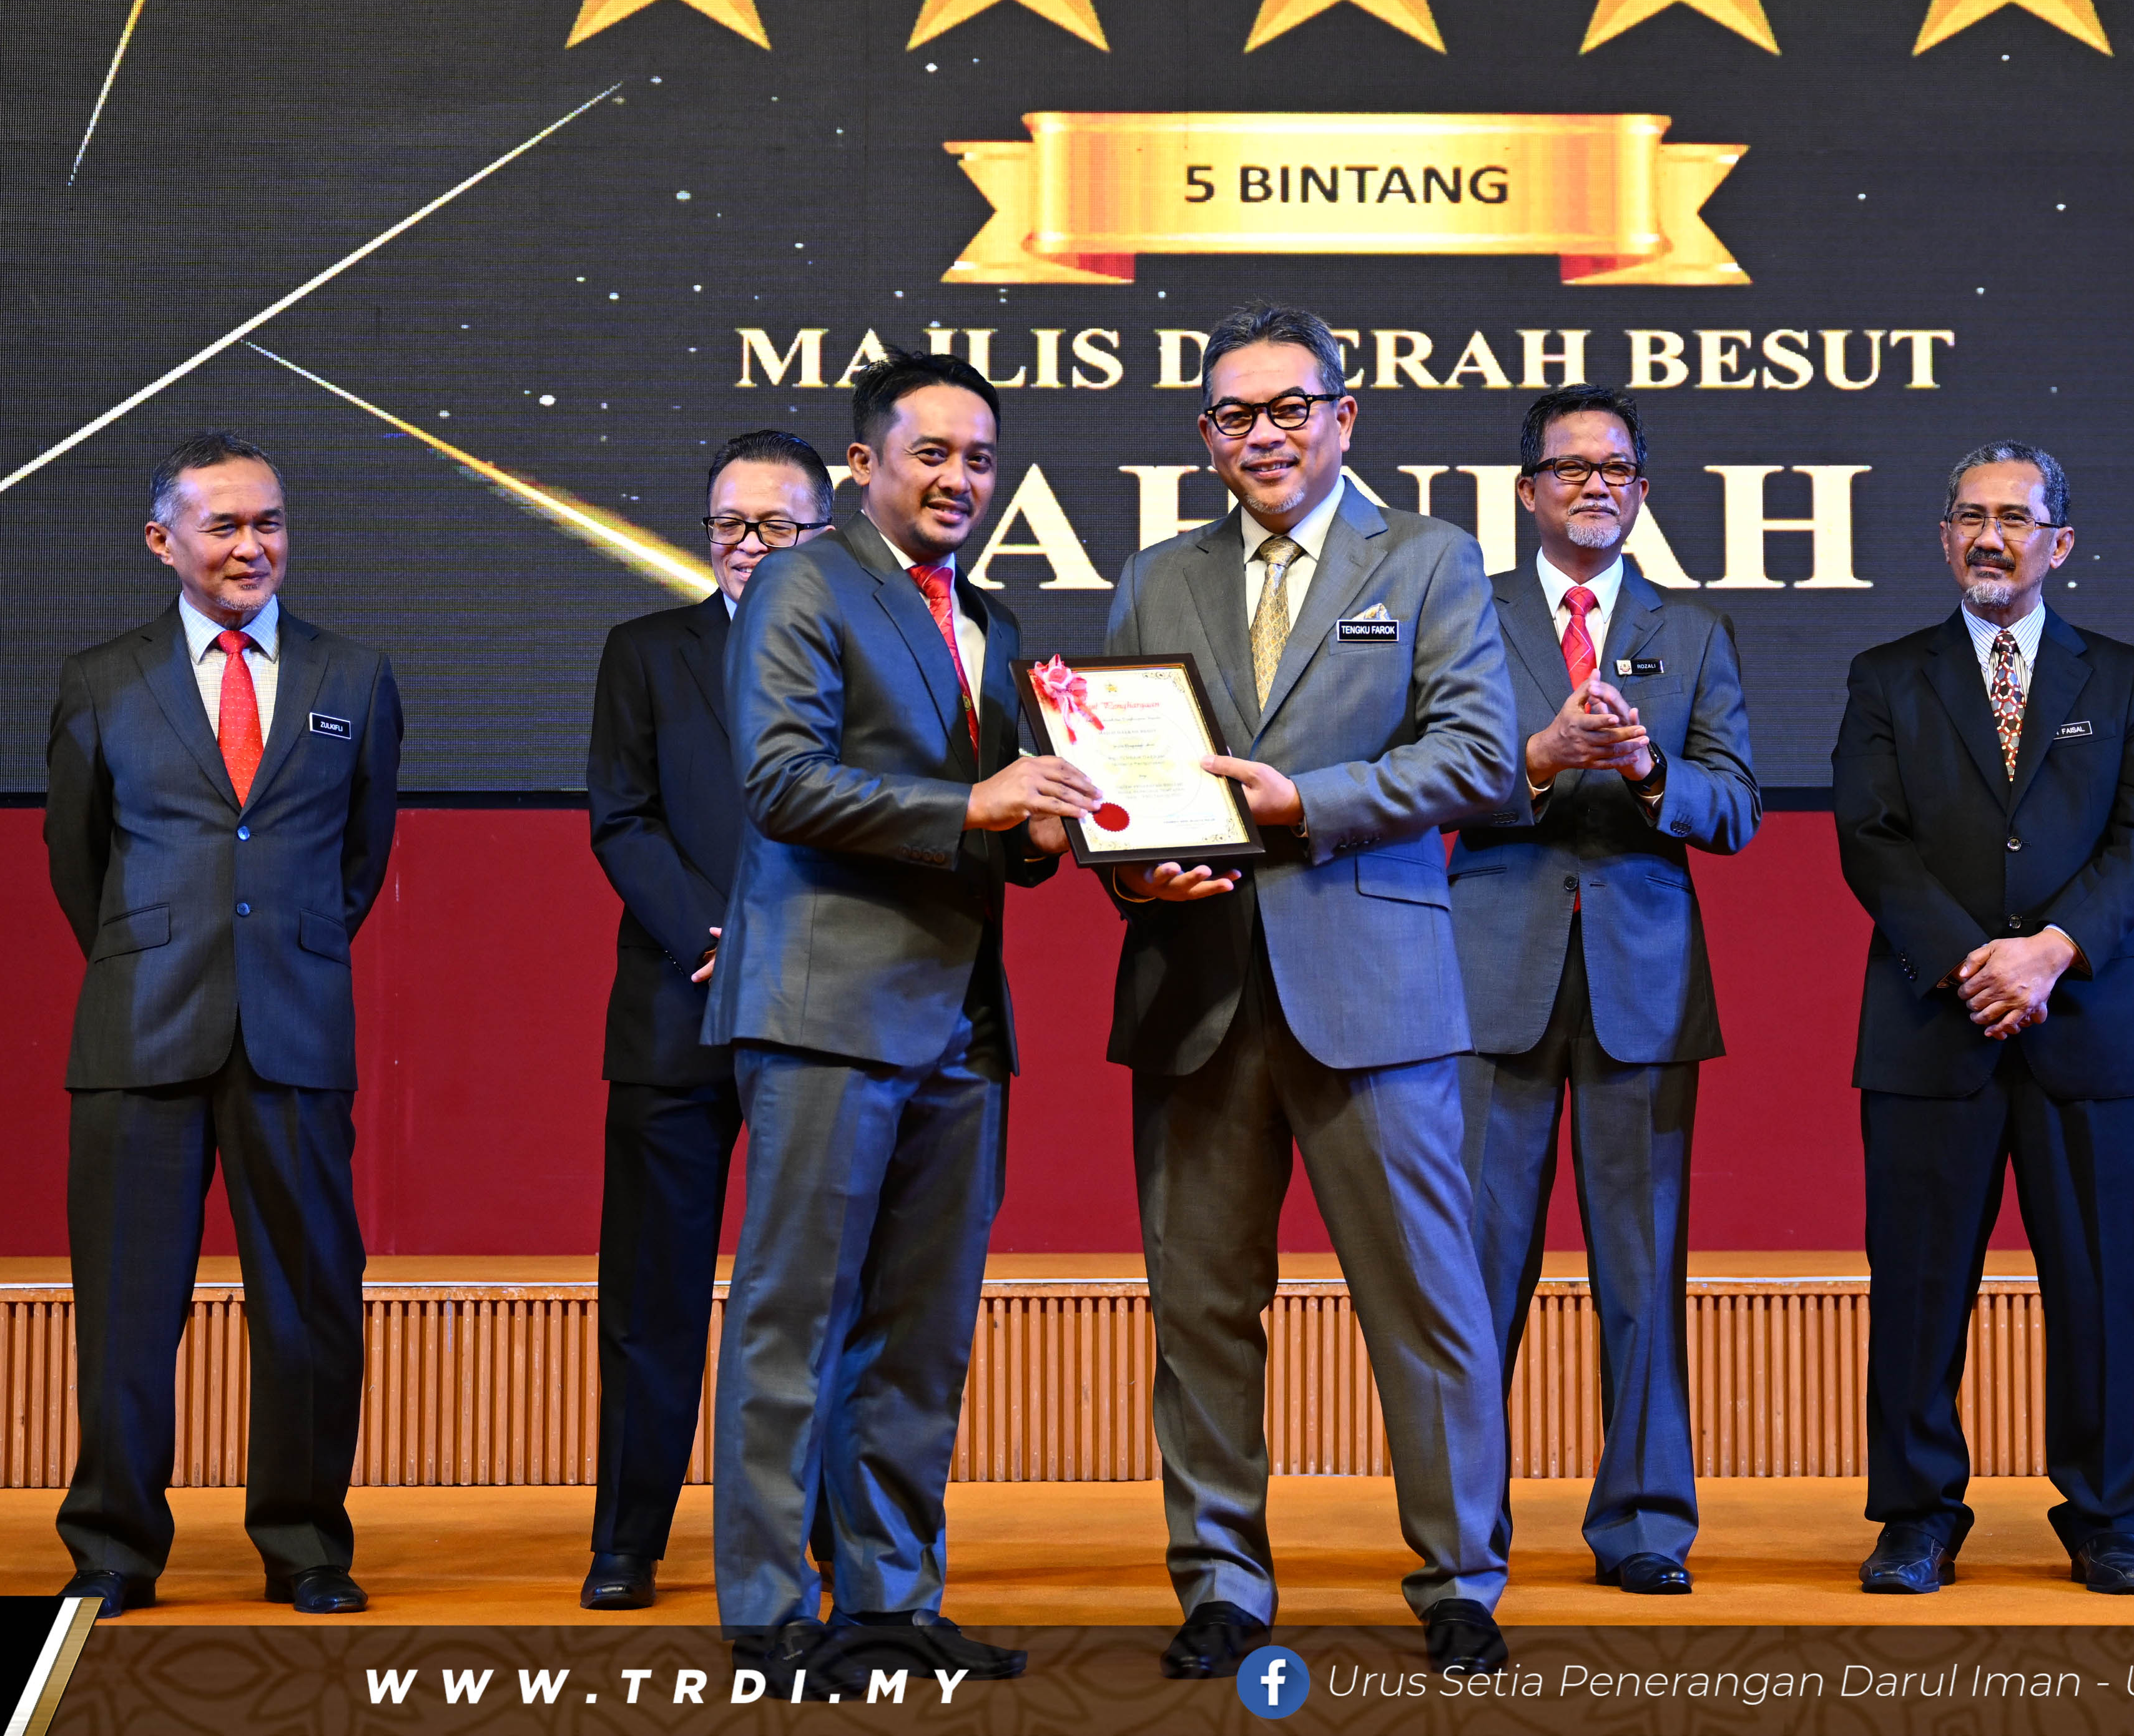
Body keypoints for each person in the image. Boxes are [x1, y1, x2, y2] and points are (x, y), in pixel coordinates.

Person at [1099, 303, 1520, 1678]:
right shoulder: (1156, 576)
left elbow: (1480, 755)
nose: (1266, 435)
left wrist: (1308, 801)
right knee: (1200, 1312)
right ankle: (1220, 1580)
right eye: (1238, 414)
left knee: (1428, 1306)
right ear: (1204, 436)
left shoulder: (1431, 558)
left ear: (1345, 416)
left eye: (1291, 408)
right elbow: (1116, 779)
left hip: (1374, 990)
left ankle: (1458, 1577)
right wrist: (1133, 873)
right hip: (1196, 991)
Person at [702, 354, 1098, 1690]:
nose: (958, 478)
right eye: (931, 452)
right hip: (828, 1010)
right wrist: (976, 806)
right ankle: (769, 1610)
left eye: (979, 457)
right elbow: (780, 781)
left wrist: (1045, 834)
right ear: (864, 464)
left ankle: (891, 1599)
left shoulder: (988, 616)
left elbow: (1006, 824)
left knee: (922, 1334)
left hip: (960, 1021)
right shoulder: (805, 583)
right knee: (792, 1321)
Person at [44, 433, 402, 1617]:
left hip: (295, 1028)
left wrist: (281, 951)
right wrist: (154, 952)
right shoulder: (101, 678)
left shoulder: (355, 676)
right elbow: (77, 861)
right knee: (126, 1310)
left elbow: (359, 861)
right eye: (225, 526)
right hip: (138, 1028)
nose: (253, 547)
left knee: (310, 1305)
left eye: (271, 522)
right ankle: (113, 1548)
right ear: (164, 541)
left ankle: (306, 1546)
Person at [1836, 443, 2134, 1597]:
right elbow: (1868, 838)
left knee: (2099, 1288)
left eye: (2016, 519)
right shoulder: (1885, 675)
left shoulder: (2123, 677)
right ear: (1944, 536)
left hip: (2084, 1024)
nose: (1991, 537)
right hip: (1931, 1027)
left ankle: (2106, 1519)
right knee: (1916, 1289)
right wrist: (1970, 963)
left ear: (2058, 543)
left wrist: (2050, 951)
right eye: (1970, 516)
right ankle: (1915, 1518)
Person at [1449, 384, 1759, 1595]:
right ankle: (1465, 1530)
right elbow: (1421, 778)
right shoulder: (1465, 615)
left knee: (1643, 1269)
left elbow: (1735, 806)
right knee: (1477, 1273)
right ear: (1527, 490)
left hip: (1644, 982)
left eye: (1617, 468)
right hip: (1491, 978)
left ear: (1641, 489)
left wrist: (1647, 767)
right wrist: (1537, 760)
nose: (1596, 485)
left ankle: (1643, 1523)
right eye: (1572, 467)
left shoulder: (1693, 630)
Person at [576, 428, 836, 1612]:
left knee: (817, 1290)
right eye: (729, 525)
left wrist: (786, 944)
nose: (746, 546)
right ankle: (627, 1540)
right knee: (651, 1289)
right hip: (676, 1004)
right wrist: (714, 936)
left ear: (822, 535)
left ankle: (825, 1535)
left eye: (775, 527)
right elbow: (621, 817)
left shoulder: (861, 650)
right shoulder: (645, 651)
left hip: (822, 1006)